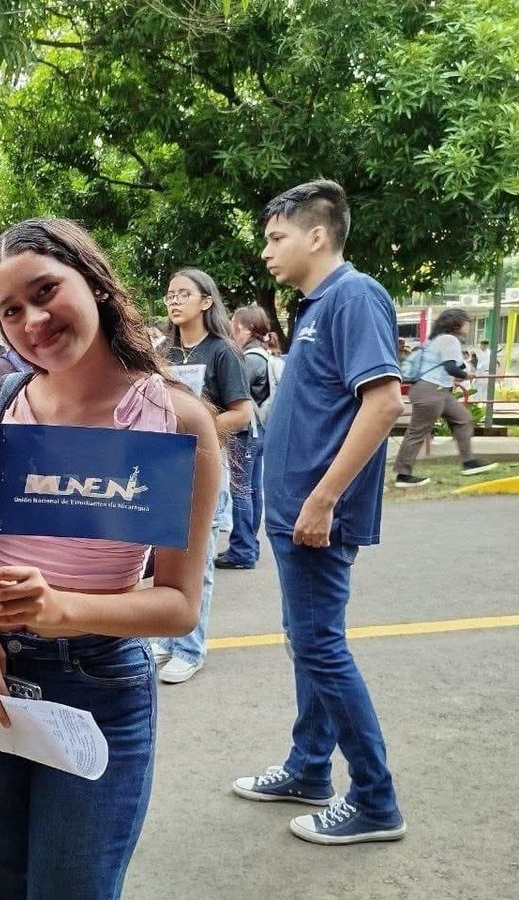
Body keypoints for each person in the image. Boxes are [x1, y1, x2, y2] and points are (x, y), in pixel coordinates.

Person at [0, 219, 220, 900]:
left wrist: (62, 609)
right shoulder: (2, 402)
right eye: (11, 310)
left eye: (46, 292)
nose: (32, 321)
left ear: (93, 282)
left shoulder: (174, 419)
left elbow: (179, 605)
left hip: (98, 681)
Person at [232, 179, 408, 845]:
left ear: (316, 235)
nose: (269, 251)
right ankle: (309, 768)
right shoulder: (315, 307)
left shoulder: (354, 295)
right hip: (294, 512)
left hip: (316, 515)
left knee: (321, 647)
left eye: (277, 237)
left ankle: (375, 800)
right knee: (306, 643)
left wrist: (323, 498)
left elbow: (384, 403)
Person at [153, 268, 252, 683]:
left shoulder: (223, 352)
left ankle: (191, 649)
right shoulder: (166, 356)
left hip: (205, 470)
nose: (174, 301)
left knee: (199, 567)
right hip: (167, 471)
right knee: (165, 561)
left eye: (184, 294)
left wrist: (199, 429)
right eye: (170, 295)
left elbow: (243, 413)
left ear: (206, 302)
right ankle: (168, 638)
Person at [394, 309, 497, 487]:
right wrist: (466, 376)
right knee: (417, 432)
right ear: (456, 323)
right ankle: (403, 475)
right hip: (431, 390)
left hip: (437, 390)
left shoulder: (435, 340)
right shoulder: (449, 340)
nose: (468, 325)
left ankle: (468, 462)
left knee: (463, 419)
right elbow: (451, 368)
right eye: (466, 321)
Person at [216, 305, 284, 571]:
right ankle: (248, 546)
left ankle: (243, 548)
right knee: (253, 490)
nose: (232, 328)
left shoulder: (250, 359)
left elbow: (232, 393)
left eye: (235, 324)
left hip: (246, 433)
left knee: (242, 491)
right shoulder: (263, 355)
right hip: (259, 432)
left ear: (245, 328)